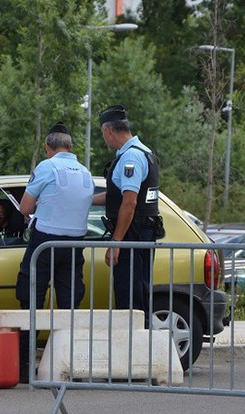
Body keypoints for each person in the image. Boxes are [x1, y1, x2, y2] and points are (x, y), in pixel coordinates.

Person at [15, 121, 94, 382]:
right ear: (71, 148)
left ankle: (26, 369)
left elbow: (25, 207)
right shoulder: (85, 172)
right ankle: (70, 368)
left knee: (31, 302)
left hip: (44, 243)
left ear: (49, 148)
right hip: (74, 246)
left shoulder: (46, 167)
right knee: (70, 304)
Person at [92, 104, 162, 324]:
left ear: (108, 131)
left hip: (133, 237)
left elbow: (130, 203)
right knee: (137, 293)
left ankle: (135, 351)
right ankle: (138, 350)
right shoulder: (144, 152)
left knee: (130, 298)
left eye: (103, 135)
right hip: (139, 235)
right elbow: (119, 196)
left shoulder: (130, 158)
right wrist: (86, 200)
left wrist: (116, 241)